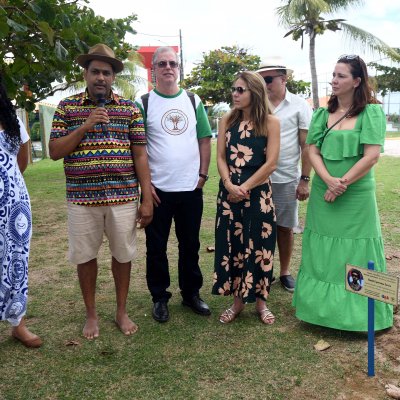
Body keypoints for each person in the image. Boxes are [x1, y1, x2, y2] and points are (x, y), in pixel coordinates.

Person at [49, 43, 153, 339]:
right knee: (85, 256)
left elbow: (140, 155)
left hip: (122, 198)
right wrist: (85, 125)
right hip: (82, 200)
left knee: (123, 256)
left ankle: (121, 311)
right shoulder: (67, 107)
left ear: (113, 77)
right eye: (95, 71)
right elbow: (55, 151)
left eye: (106, 73)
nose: (100, 78)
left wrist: (147, 198)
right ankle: (91, 314)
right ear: (86, 73)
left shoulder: (129, 109)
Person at [293, 54, 393, 331]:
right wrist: (328, 180)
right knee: (323, 252)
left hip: (356, 194)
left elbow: (371, 156)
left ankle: (361, 316)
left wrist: (343, 183)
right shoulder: (322, 114)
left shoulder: (371, 112)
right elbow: (312, 149)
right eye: (333, 75)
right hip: (325, 192)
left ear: (357, 81)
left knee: (358, 249)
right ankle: (321, 312)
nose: (334, 81)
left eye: (341, 76)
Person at [135, 46, 212, 323]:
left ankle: (191, 293)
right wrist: (145, 186)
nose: (168, 68)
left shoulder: (193, 100)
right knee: (156, 248)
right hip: (158, 191)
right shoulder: (143, 102)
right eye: (162, 64)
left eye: (173, 63)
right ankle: (159, 297)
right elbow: (138, 147)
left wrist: (202, 176)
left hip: (191, 189)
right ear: (153, 69)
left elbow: (205, 138)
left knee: (189, 244)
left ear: (179, 68)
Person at [212, 71, 280, 324]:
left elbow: (271, 163)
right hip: (229, 193)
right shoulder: (227, 119)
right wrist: (230, 184)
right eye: (234, 89)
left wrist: (245, 188)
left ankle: (261, 304)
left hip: (258, 193)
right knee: (234, 245)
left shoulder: (271, 122)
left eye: (241, 90)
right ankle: (237, 303)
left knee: (260, 248)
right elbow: (220, 157)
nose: (235, 94)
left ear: (255, 92)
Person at [256, 57, 312, 292]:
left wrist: (304, 179)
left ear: (283, 78)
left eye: (268, 79)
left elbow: (306, 145)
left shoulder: (299, 105)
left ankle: (285, 271)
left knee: (285, 228)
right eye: (261, 79)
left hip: (287, 178)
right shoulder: (256, 104)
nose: (264, 83)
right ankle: (262, 271)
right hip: (257, 179)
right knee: (259, 227)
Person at [0, 73, 42, 348]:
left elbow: (21, 161)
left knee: (17, 263)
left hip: (15, 207)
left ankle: (18, 324)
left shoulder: (12, 120)